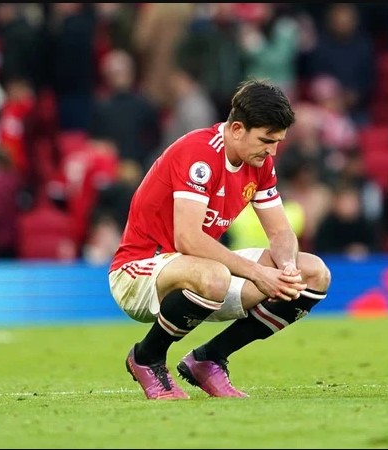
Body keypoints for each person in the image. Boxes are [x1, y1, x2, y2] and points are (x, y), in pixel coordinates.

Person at [107, 79, 331, 400]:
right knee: (215, 275)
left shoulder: (260, 163)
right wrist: (258, 274)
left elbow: (281, 232)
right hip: (140, 270)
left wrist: (284, 269)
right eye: (266, 140)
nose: (272, 151)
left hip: (199, 274)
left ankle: (208, 359)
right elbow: (188, 239)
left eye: (278, 142)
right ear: (237, 129)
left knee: (313, 273)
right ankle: (147, 357)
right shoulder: (199, 154)